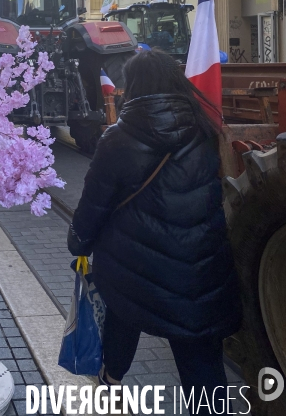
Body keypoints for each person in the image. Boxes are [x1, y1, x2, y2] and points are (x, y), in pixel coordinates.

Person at [67, 49, 241, 416]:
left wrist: (78, 242)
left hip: (134, 266)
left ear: (134, 86)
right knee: (200, 358)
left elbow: (94, 204)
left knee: (123, 313)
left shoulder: (118, 138)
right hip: (200, 268)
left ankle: (111, 383)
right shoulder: (206, 128)